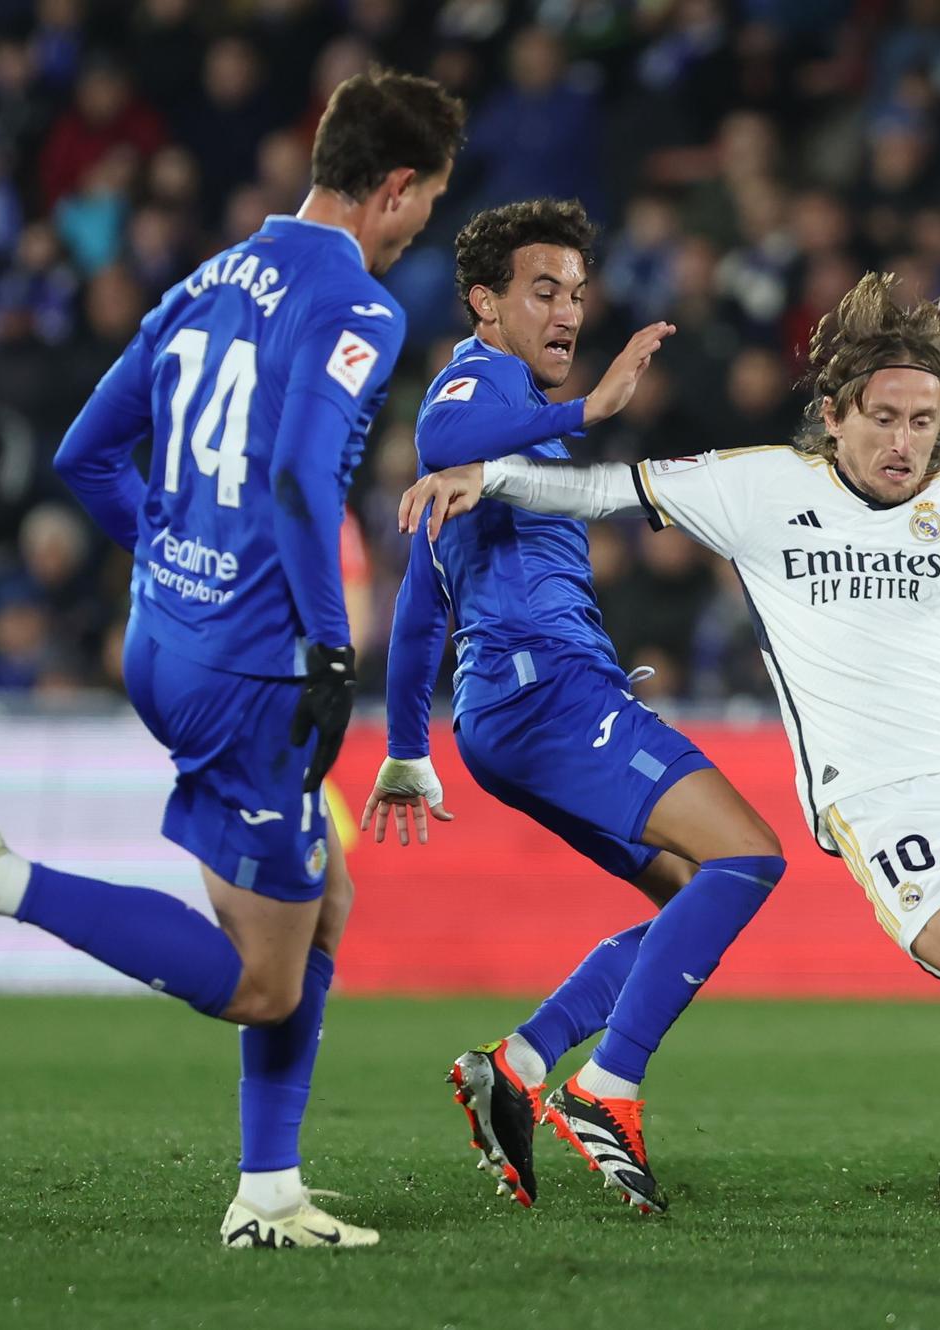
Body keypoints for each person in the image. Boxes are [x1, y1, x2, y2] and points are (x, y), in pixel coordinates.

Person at [397, 272, 940, 1220]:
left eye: (923, 421)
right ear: (834, 412)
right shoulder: (762, 487)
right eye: (884, 417)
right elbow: (605, 488)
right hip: (883, 793)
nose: (904, 442)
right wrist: (489, 478)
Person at [0, 70, 467, 1247]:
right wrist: (329, 648)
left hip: (162, 638)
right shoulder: (359, 308)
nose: (418, 229)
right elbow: (292, 478)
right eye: (425, 204)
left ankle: (270, 1192)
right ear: (393, 188)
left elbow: (86, 456)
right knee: (263, 980)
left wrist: (177, 552)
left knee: (319, 900)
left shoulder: (204, 279)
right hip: (254, 673)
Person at [359, 199, 785, 1217]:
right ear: (484, 303)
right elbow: (447, 423)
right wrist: (582, 412)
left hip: (509, 712)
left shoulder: (496, 441)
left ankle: (520, 1063)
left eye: (577, 294)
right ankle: (604, 1090)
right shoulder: (478, 385)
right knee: (747, 856)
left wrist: (409, 747)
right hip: (547, 692)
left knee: (695, 897)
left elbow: (421, 604)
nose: (565, 313)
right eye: (541, 291)